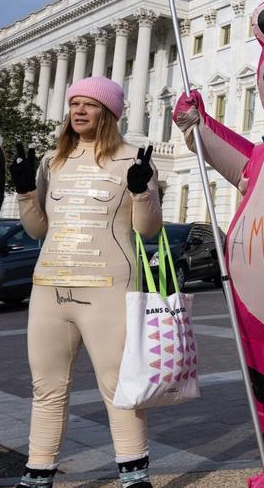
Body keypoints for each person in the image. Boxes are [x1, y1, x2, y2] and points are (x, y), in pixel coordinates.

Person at [12, 77, 161, 488]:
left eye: (89, 104)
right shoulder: (52, 161)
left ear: (109, 112)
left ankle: (134, 475)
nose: (78, 111)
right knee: (46, 387)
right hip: (49, 289)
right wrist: (26, 191)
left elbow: (147, 229)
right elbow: (37, 230)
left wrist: (142, 191)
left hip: (108, 287)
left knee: (117, 385)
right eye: (74, 103)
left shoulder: (135, 158)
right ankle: (38, 473)